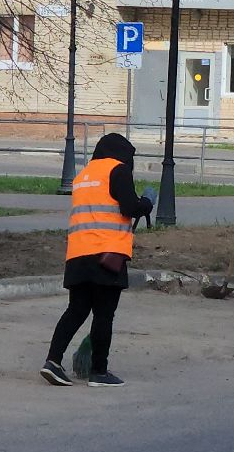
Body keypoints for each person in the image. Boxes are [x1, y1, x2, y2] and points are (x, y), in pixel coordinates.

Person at [41, 133, 152, 387]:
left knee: (76, 310)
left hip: (78, 254)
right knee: (104, 314)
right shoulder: (118, 170)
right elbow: (129, 207)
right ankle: (99, 372)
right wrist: (146, 203)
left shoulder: (83, 176)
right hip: (107, 255)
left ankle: (53, 361)